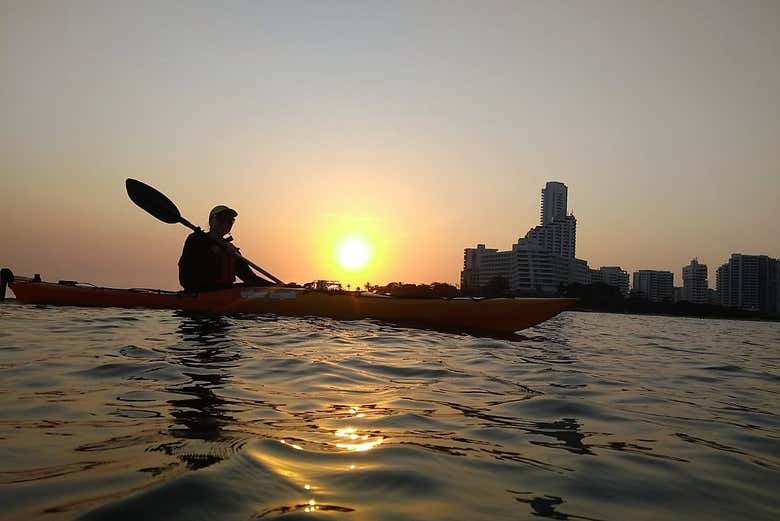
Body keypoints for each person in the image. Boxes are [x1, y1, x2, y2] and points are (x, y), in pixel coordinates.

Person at [178, 205, 272, 292]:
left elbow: (250, 278)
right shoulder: (196, 239)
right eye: (221, 219)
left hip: (224, 291)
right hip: (200, 290)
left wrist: (276, 287)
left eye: (230, 220)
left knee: (250, 287)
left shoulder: (231, 250)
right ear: (211, 221)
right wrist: (214, 251)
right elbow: (187, 272)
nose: (225, 223)